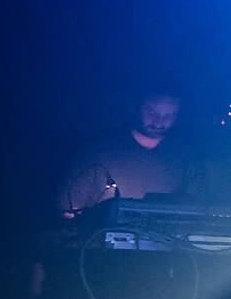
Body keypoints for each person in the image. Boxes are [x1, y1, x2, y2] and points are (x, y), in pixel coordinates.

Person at [57, 85, 204, 217]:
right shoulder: (98, 153)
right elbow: (68, 211)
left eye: (169, 115)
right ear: (136, 108)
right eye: (151, 112)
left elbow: (196, 211)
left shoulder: (186, 158)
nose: (159, 122)